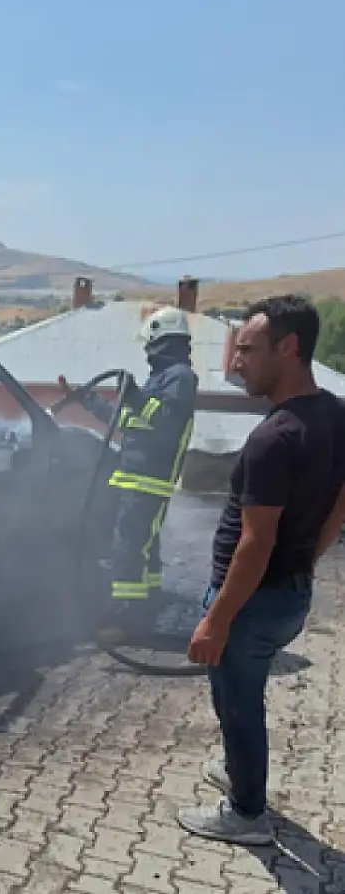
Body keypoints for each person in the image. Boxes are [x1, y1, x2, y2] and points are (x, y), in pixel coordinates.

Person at [177, 294, 345, 845]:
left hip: (251, 602)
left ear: (288, 347)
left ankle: (246, 814)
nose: (235, 363)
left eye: (248, 350)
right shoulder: (335, 415)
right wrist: (306, 563)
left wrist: (217, 620)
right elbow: (340, 502)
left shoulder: (273, 439)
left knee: (238, 702)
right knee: (240, 696)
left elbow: (254, 542)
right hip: (288, 593)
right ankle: (239, 772)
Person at [58, 305, 199, 638]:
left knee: (128, 548)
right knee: (143, 547)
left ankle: (127, 620)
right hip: (137, 477)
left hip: (149, 480)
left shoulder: (179, 377)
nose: (147, 352)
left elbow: (164, 422)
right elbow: (129, 425)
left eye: (149, 345)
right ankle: (147, 603)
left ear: (161, 341)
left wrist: (136, 398)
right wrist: (87, 400)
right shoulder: (161, 379)